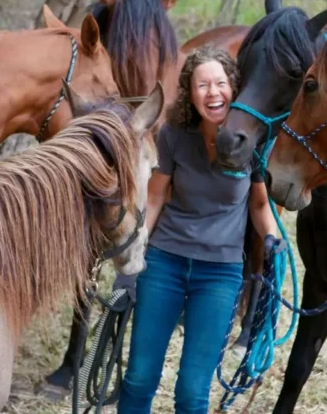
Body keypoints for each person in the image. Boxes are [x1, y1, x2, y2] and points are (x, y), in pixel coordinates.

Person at [117, 45, 283, 413]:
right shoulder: (174, 135)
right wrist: (134, 252)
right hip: (165, 264)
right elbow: (156, 197)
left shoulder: (251, 141)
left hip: (220, 274)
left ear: (233, 89)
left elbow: (258, 204)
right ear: (190, 95)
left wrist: (272, 238)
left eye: (220, 83)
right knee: (140, 377)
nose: (213, 92)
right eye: (202, 85)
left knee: (192, 392)